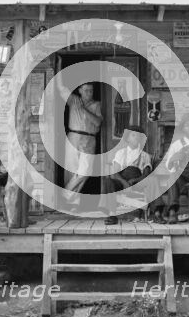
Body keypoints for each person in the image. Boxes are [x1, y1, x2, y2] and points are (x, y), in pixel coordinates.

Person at [57, 77, 103, 211]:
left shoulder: (97, 104)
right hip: (73, 136)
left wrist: (84, 110)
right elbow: (61, 88)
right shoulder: (74, 100)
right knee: (71, 170)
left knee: (85, 171)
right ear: (80, 91)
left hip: (89, 138)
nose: (89, 93)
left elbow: (98, 122)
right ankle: (73, 204)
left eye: (91, 90)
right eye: (86, 90)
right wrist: (59, 71)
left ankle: (64, 194)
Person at [101, 125, 157, 225]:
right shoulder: (120, 153)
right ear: (127, 138)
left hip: (137, 180)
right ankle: (112, 215)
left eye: (139, 136)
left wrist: (135, 181)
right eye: (133, 135)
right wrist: (124, 183)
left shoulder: (145, 155)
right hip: (122, 181)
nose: (136, 138)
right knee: (108, 181)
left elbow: (146, 174)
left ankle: (139, 213)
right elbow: (115, 173)